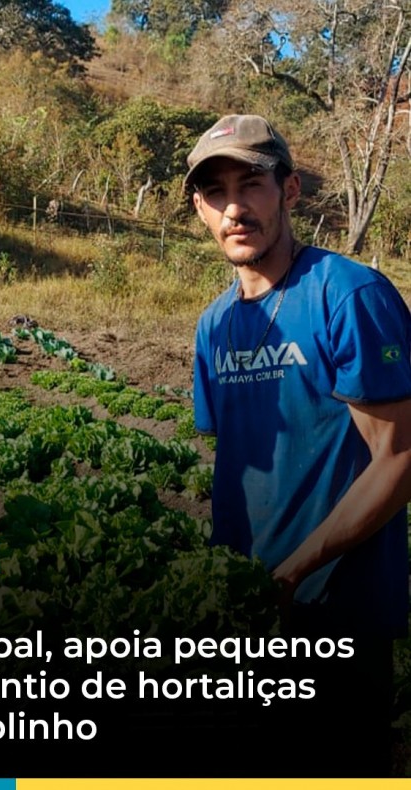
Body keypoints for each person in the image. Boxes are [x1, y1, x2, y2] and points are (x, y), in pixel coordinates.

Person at [186, 113, 411, 775]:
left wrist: (295, 569)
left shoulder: (349, 295)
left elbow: (399, 457)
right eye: (215, 191)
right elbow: (239, 466)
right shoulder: (214, 325)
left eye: (251, 183)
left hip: (337, 613)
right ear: (199, 209)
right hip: (251, 613)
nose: (234, 206)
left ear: (289, 191)